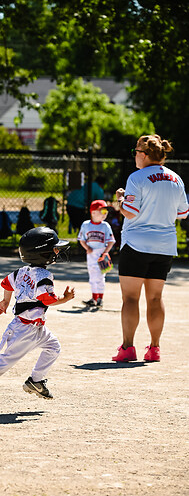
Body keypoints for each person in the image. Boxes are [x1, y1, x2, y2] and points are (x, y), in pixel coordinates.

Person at [0, 227, 75, 413]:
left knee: (53, 347)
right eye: (54, 249)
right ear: (43, 253)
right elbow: (47, 299)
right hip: (26, 329)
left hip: (34, 327)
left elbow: (7, 282)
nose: (57, 252)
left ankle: (36, 381)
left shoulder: (21, 271)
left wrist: (6, 300)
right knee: (7, 361)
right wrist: (65, 299)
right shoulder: (44, 276)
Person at [112, 134, 189, 363]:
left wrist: (121, 200)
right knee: (155, 298)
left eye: (136, 152)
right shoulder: (176, 178)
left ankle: (127, 348)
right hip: (165, 245)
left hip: (137, 243)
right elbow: (183, 213)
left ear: (144, 155)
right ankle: (154, 348)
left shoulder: (137, 177)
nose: (135, 156)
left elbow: (130, 212)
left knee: (130, 298)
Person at [78, 200, 115, 307]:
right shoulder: (86, 225)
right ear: (93, 212)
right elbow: (81, 239)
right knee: (93, 276)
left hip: (102, 253)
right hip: (91, 254)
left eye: (106, 211)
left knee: (101, 276)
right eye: (102, 211)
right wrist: (87, 247)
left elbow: (111, 241)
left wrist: (106, 252)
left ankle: (100, 299)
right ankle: (94, 298)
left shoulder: (105, 226)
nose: (105, 213)